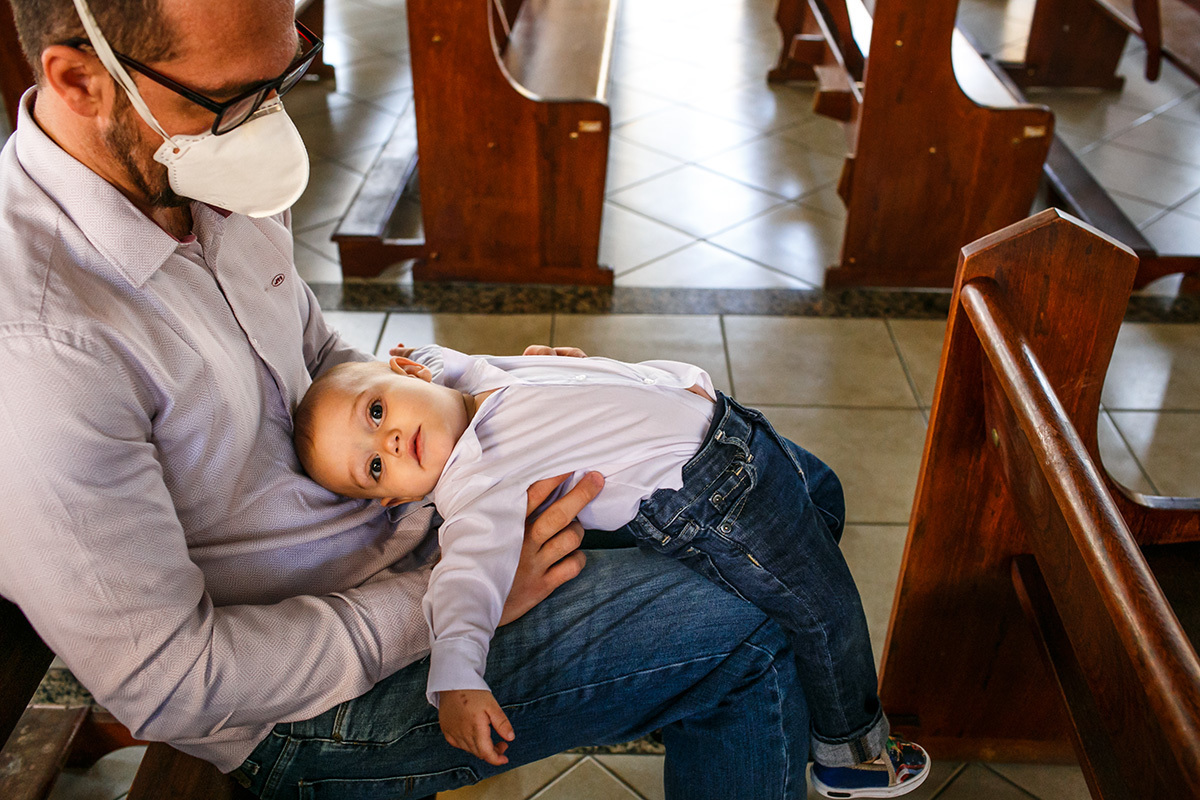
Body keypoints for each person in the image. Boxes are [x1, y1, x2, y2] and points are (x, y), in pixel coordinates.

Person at [0, 0, 822, 797]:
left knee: (793, 489)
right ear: (80, 82)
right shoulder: (42, 350)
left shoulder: (194, 170)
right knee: (752, 623)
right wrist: (452, 600)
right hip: (306, 701)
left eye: (281, 76)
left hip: (420, 526)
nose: (260, 123)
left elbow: (325, 360)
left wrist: (483, 390)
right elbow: (174, 682)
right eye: (229, 99)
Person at [293, 347, 932, 798]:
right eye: (375, 468)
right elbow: (463, 586)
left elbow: (434, 364)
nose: (391, 444)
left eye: (376, 414)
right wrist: (457, 676)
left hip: (726, 428)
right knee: (821, 607)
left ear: (405, 372)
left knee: (821, 497)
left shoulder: (468, 373)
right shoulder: (477, 490)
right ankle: (852, 755)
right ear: (399, 500)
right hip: (711, 497)